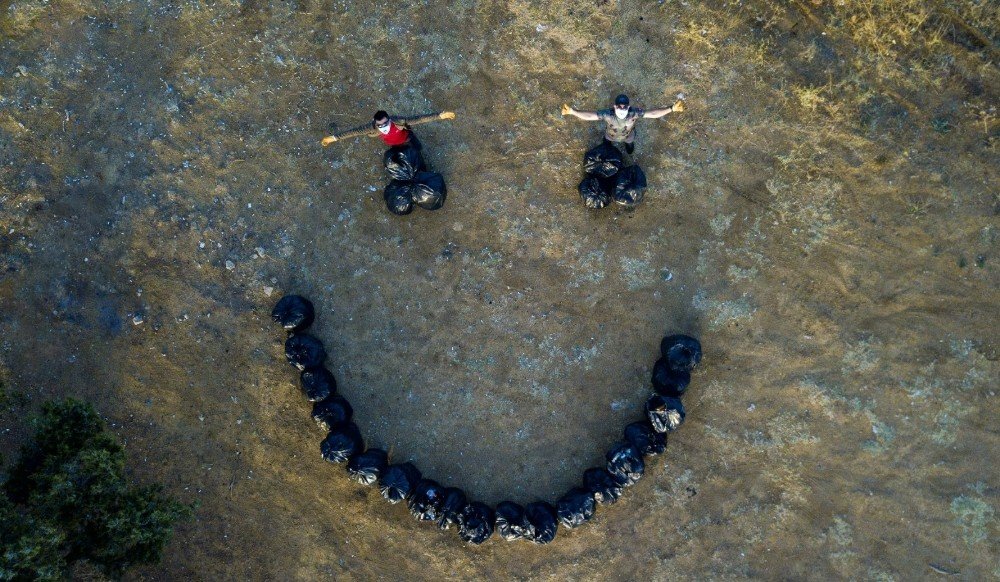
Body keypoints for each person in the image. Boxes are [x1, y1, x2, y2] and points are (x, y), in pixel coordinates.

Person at [561, 94, 684, 154]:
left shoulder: (634, 113)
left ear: (628, 106)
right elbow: (590, 116)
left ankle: (629, 149)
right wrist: (573, 112)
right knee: (606, 145)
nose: (622, 108)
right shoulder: (607, 114)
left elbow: (652, 114)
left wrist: (671, 108)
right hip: (610, 135)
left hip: (628, 136)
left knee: (629, 147)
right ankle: (608, 146)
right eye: (619, 106)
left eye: (624, 106)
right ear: (615, 106)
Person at [321, 110, 455, 147]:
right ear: (375, 123)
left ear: (389, 120)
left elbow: (419, 119)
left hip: (408, 138)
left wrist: (440, 116)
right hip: (392, 144)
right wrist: (333, 138)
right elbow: (352, 132)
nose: (383, 127)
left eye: (385, 124)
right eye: (380, 125)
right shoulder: (371, 128)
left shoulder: (399, 122)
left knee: (417, 149)